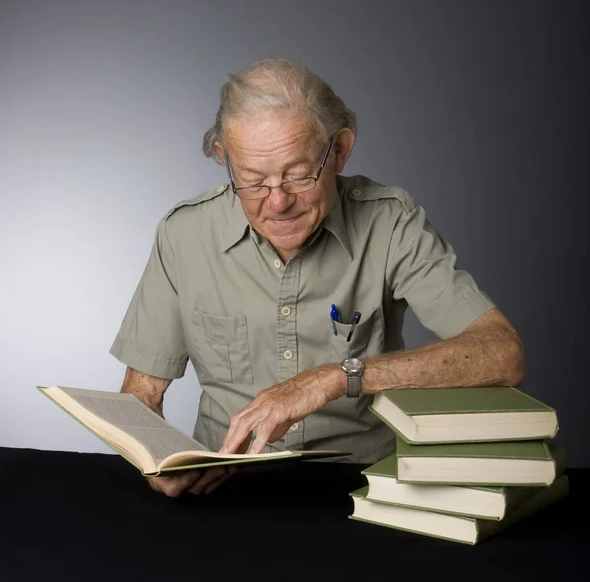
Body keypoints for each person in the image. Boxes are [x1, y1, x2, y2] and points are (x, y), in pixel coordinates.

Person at [110, 57, 525, 497]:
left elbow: (502, 354)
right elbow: (141, 397)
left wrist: (335, 378)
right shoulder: (184, 233)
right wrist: (157, 464)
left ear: (341, 150)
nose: (277, 202)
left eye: (298, 175)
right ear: (224, 158)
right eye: (251, 180)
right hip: (224, 492)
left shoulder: (390, 223)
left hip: (363, 488)